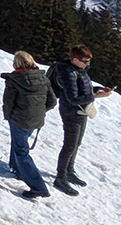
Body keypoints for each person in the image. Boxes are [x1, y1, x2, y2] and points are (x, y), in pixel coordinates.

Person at [47, 44, 113, 195]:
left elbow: (83, 88)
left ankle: (69, 170)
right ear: (75, 60)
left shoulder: (79, 70)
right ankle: (60, 176)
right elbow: (73, 98)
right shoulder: (67, 73)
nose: (87, 64)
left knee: (77, 143)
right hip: (71, 111)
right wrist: (95, 96)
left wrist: (97, 89)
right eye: (85, 61)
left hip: (82, 111)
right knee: (70, 145)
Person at [1, 50, 52, 199]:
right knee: (19, 144)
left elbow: (8, 102)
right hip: (36, 120)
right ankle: (17, 169)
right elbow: (52, 100)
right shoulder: (42, 78)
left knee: (21, 151)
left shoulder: (15, 79)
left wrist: (9, 116)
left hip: (19, 119)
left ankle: (38, 187)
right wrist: (38, 111)